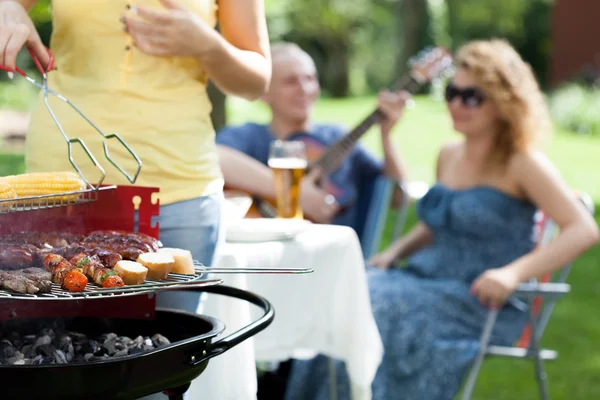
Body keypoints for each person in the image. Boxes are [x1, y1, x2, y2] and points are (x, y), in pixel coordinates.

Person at [284, 39, 599, 400]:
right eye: (452, 92)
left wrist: (512, 274)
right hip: (426, 277)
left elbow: (583, 229)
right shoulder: (449, 155)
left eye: (472, 96)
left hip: (480, 298)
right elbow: (440, 222)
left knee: (378, 308)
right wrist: (396, 250)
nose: (457, 104)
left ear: (502, 102)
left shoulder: (521, 163)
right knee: (345, 292)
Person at [0, 0, 270, 398]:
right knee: (40, 363)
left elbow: (257, 79)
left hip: (179, 194)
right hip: (60, 196)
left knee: (152, 375)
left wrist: (207, 45)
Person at [216, 42, 409, 236]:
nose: (304, 89)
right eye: (291, 81)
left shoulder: (337, 136)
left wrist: (386, 136)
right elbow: (214, 157)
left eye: (310, 78)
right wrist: (293, 194)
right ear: (265, 93)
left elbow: (398, 198)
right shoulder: (248, 136)